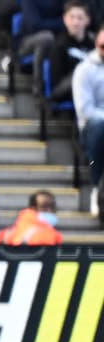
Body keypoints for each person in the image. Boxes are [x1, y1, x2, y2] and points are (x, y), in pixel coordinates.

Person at [71, 26, 104, 213]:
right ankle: (96, 189)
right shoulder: (84, 70)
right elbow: (86, 111)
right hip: (91, 128)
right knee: (100, 127)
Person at [0, 190, 64, 245]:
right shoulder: (46, 234)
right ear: (33, 208)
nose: (49, 210)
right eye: (44, 207)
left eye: (52, 207)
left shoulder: (6, 233)